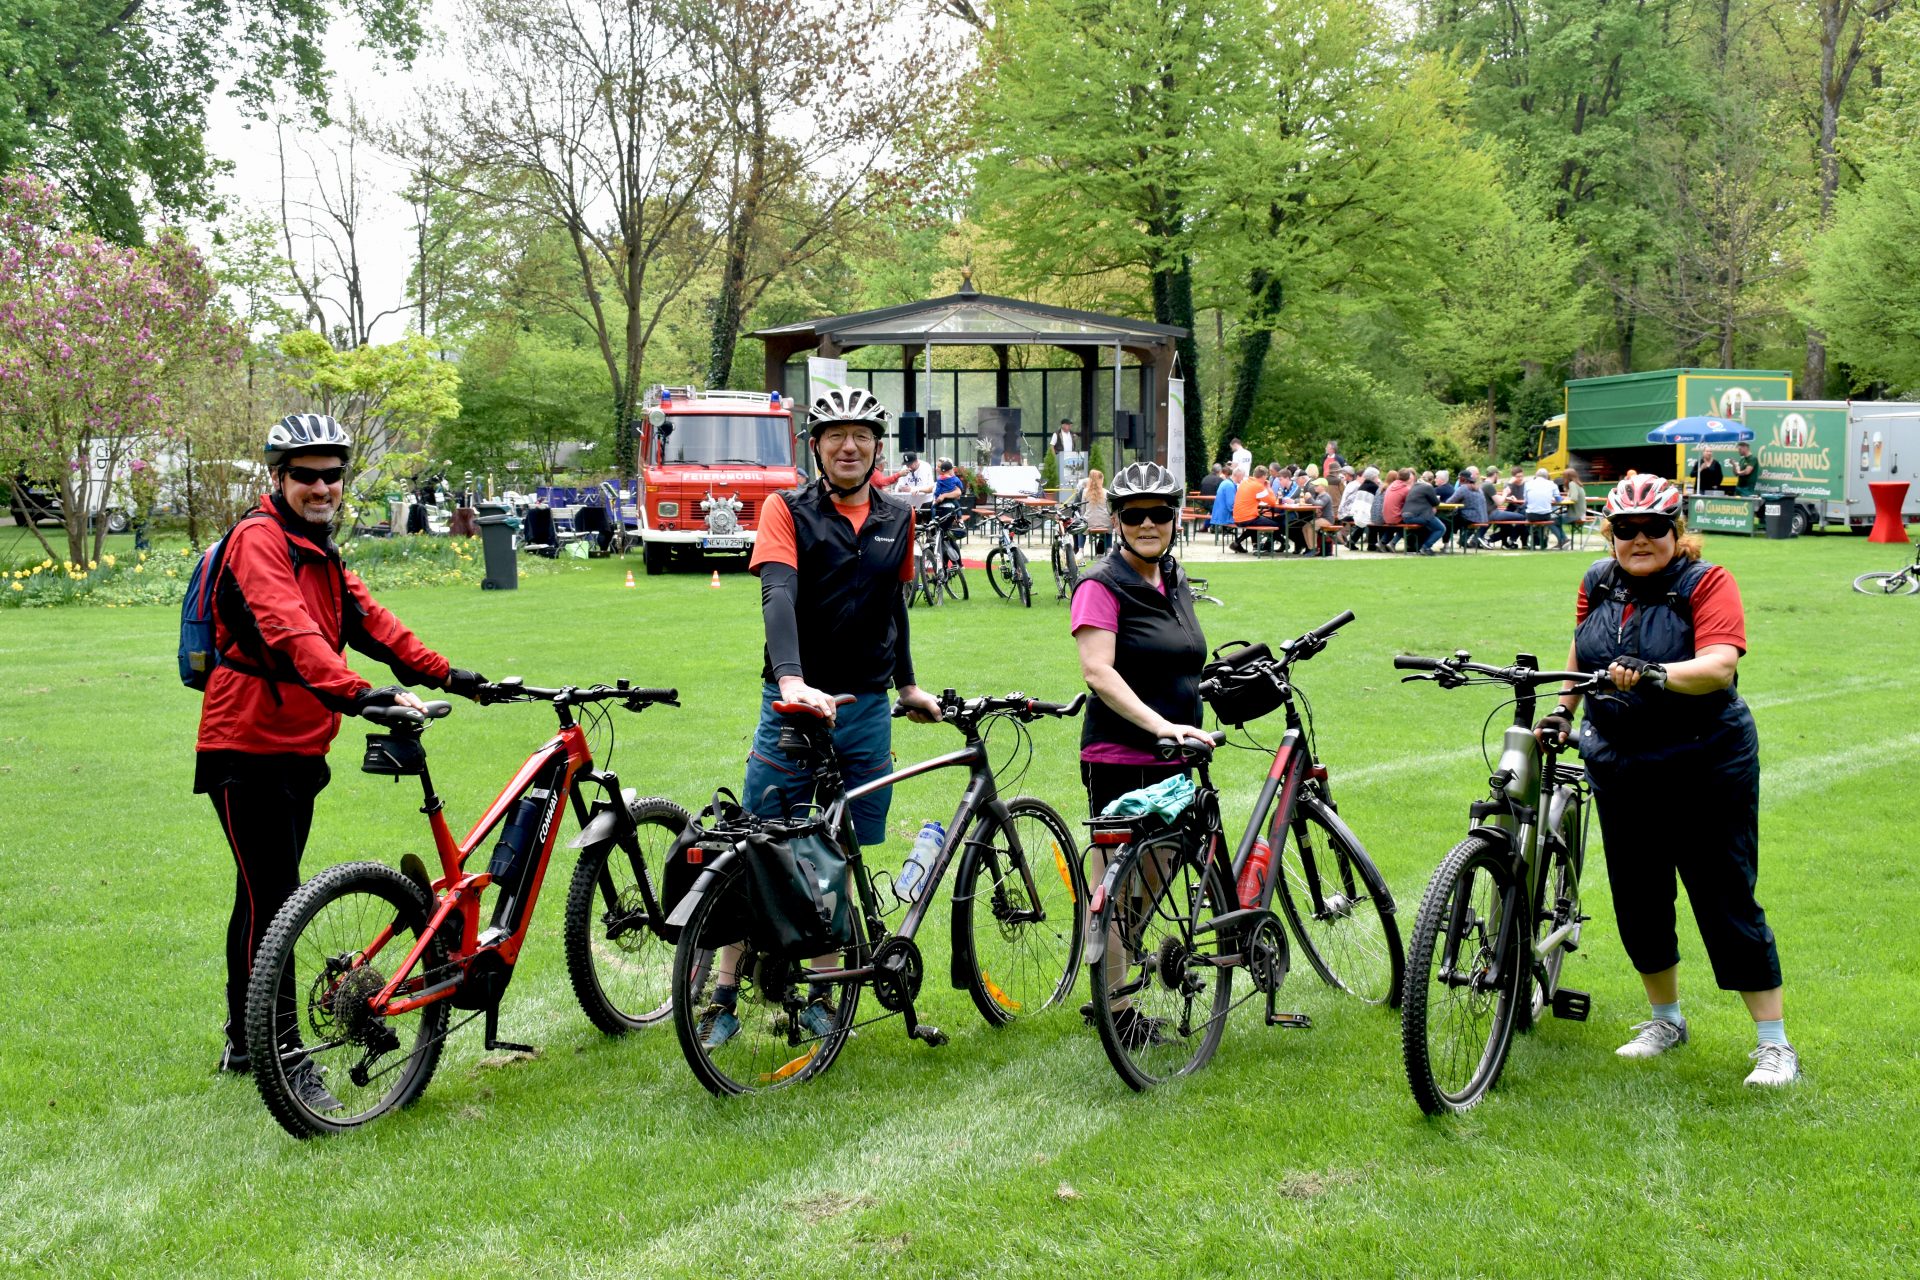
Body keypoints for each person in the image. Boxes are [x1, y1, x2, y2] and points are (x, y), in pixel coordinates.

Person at [198, 413, 486, 1086]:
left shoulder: (319, 550)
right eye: (306, 475)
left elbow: (373, 624)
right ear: (278, 478)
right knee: (275, 900)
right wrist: (358, 694)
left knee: (261, 896)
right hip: (245, 744)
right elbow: (290, 630)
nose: (322, 487)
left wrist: (453, 676)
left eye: (332, 475)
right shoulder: (259, 540)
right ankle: (283, 1056)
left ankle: (244, 1040)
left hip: (300, 747)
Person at [702, 387, 944, 1049]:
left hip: (866, 707)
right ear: (816, 446)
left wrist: (908, 685)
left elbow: (894, 606)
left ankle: (822, 992)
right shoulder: (786, 509)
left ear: (877, 447)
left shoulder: (899, 516)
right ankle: (722, 995)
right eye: (835, 435)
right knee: (760, 843)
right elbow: (777, 594)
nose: (848, 446)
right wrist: (792, 680)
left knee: (841, 847)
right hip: (794, 705)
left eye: (861, 435)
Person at [1535, 474, 1795, 1087]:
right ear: (1611, 534)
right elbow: (1581, 650)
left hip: (1705, 763)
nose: (1640, 539)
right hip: (1620, 763)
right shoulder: (1597, 581)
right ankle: (1666, 1021)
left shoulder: (1706, 582)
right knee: (1639, 898)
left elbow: (1720, 666)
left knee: (1725, 898)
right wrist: (1565, 709)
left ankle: (1774, 1044)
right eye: (1626, 529)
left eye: (1654, 528)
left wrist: (1654, 672)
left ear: (1677, 532)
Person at [1069, 461, 1210, 1048]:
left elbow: (1181, 656)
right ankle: (1118, 1009)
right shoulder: (1100, 584)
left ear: (1175, 519)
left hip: (1176, 755)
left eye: (1159, 514)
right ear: (1118, 522)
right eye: (1134, 515)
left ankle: (1111, 984)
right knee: (1115, 886)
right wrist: (1162, 725)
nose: (1148, 524)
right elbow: (1098, 672)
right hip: (1121, 755)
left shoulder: (1172, 577)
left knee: (1153, 878)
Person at [1230, 464, 1279, 552]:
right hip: (1247, 517)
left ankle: (1241, 543)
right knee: (1276, 525)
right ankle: (1267, 546)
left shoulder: (1245, 482)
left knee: (1256, 521)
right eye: (1266, 476)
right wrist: (1268, 487)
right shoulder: (1258, 486)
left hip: (1237, 517)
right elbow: (1272, 502)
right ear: (1264, 476)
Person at [1400, 469, 1446, 555]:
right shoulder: (1428, 487)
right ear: (1431, 480)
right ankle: (1426, 547)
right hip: (1419, 515)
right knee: (1441, 528)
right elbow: (1436, 503)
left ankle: (1420, 546)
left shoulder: (1414, 486)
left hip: (1406, 516)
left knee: (1428, 527)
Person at [1524, 467, 1568, 549]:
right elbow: (1559, 500)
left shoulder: (1528, 484)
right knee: (1551, 520)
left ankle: (1534, 541)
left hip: (1531, 516)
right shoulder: (1552, 484)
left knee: (1525, 517)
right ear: (1547, 476)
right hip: (1546, 515)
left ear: (1536, 476)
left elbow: (1526, 501)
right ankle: (1544, 540)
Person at [1454, 465, 1489, 547]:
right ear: (1471, 475)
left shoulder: (1467, 486)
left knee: (1453, 519)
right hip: (1476, 514)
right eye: (1477, 474)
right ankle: (1464, 540)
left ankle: (1459, 540)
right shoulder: (1472, 486)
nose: (1478, 475)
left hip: (1469, 513)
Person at [1080, 468, 1113, 553]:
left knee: (1081, 528)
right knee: (1109, 527)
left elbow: (1083, 509)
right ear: (1101, 480)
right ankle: (1109, 548)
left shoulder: (1085, 492)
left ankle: (1080, 550)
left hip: (1089, 523)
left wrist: (1083, 518)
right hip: (1105, 523)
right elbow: (1110, 509)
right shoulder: (1106, 492)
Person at [1380, 468, 1411, 550]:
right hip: (1395, 517)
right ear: (1408, 478)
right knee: (1408, 523)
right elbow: (1410, 503)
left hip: (1386, 516)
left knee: (1393, 526)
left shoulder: (1391, 485)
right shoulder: (1405, 489)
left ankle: (1381, 542)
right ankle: (1393, 543)